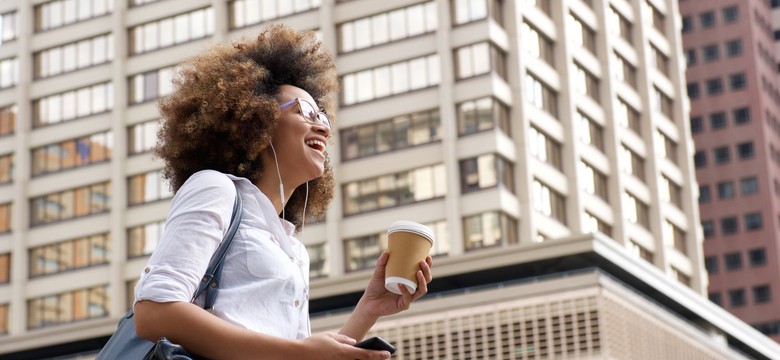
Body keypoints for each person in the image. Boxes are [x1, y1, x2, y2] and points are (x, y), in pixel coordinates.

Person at [133, 24, 433, 360]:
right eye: (304, 112)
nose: (321, 124)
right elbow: (153, 312)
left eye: (322, 116)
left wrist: (370, 308)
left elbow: (296, 354)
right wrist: (299, 353)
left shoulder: (293, 250)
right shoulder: (215, 188)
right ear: (257, 120)